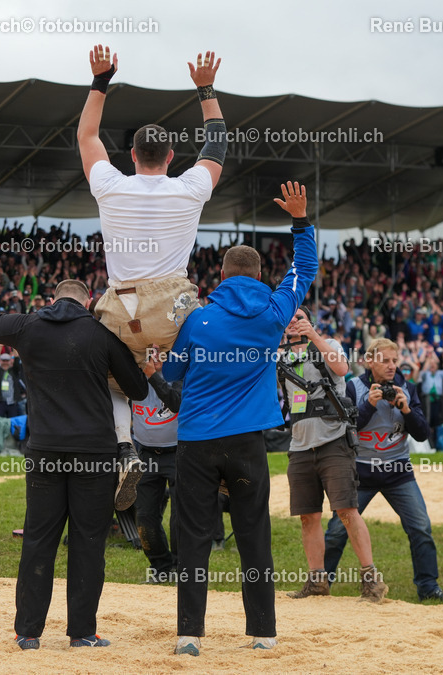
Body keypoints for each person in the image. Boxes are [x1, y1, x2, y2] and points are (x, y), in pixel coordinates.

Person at [0, 236, 148, 650]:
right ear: (89, 303)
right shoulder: (101, 335)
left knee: (38, 542)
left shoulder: (29, 326)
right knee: (88, 544)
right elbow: (137, 390)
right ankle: (82, 633)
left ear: (52, 300)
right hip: (95, 454)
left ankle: (27, 632)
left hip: (45, 451)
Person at [162, 181, 316, 656]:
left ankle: (189, 635)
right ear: (259, 274)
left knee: (193, 537)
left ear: (223, 275)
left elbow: (171, 373)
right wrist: (300, 221)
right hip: (248, 442)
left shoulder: (197, 319)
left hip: (197, 440)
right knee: (254, 533)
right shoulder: (275, 310)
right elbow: (306, 268)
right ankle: (263, 634)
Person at [77, 45, 226, 507]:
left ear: (131, 155)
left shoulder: (109, 185)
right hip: (173, 309)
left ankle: (125, 448)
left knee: (112, 382)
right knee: (204, 369)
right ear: (172, 156)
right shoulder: (190, 188)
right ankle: (216, 453)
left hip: (121, 310)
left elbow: (86, 135)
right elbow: (217, 143)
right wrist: (205, 89)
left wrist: (101, 80)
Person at [324, 337, 443, 603]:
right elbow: (345, 428)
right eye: (384, 360)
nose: (391, 366)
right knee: (337, 531)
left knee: (421, 527)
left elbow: (422, 434)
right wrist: (369, 405)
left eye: (394, 361)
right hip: (361, 473)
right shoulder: (353, 387)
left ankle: (429, 588)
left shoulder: (407, 388)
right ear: (369, 361)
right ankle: (321, 583)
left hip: (398, 472)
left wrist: (407, 410)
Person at [280, 308, 387, 602]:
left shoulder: (328, 344)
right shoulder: (281, 357)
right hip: (300, 445)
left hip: (333, 440)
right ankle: (317, 581)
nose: (293, 322)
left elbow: (341, 369)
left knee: (347, 510)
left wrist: (313, 336)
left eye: (299, 317)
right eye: (289, 318)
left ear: (310, 321)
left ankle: (371, 580)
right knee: (308, 516)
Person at [134, 347, 182, 584]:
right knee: (144, 516)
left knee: (180, 516)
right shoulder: (133, 376)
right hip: (147, 452)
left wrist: (153, 375)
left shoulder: (179, 374)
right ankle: (161, 566)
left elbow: (176, 402)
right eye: (151, 353)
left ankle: (181, 567)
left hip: (178, 451)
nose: (156, 358)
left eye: (161, 353)